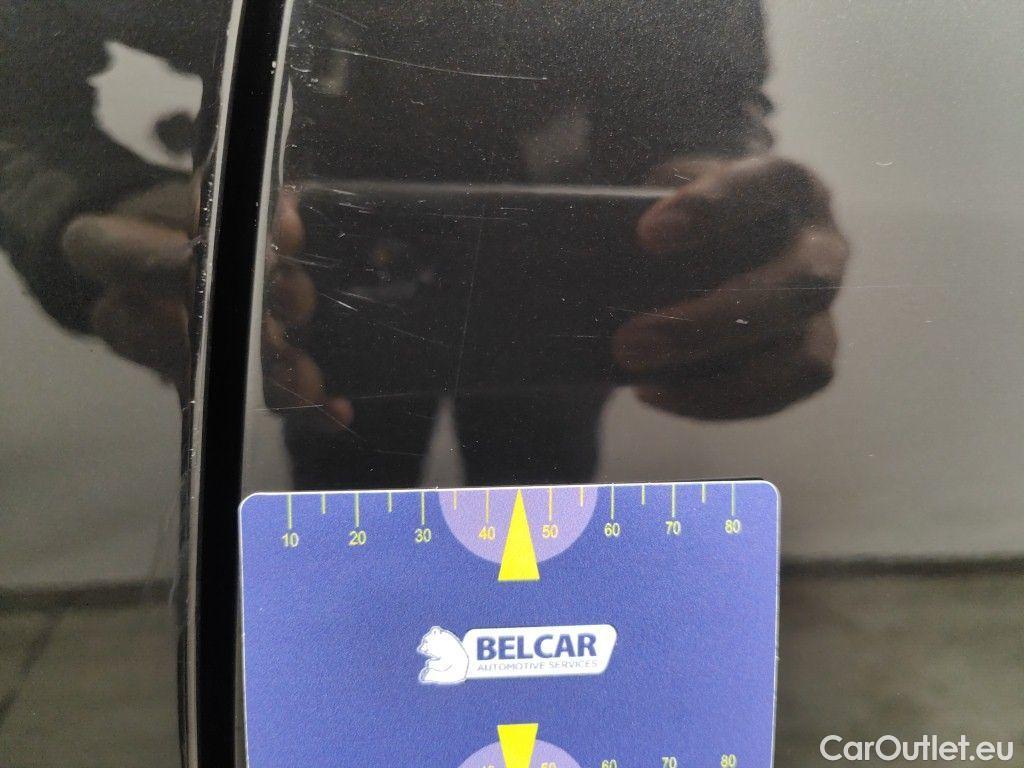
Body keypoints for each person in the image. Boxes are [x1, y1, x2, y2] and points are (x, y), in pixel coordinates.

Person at [1, 0, 848, 491]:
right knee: (473, 504)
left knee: (417, 489)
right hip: (477, 254)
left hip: (380, 258)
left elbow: (700, 89)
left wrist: (724, 212)